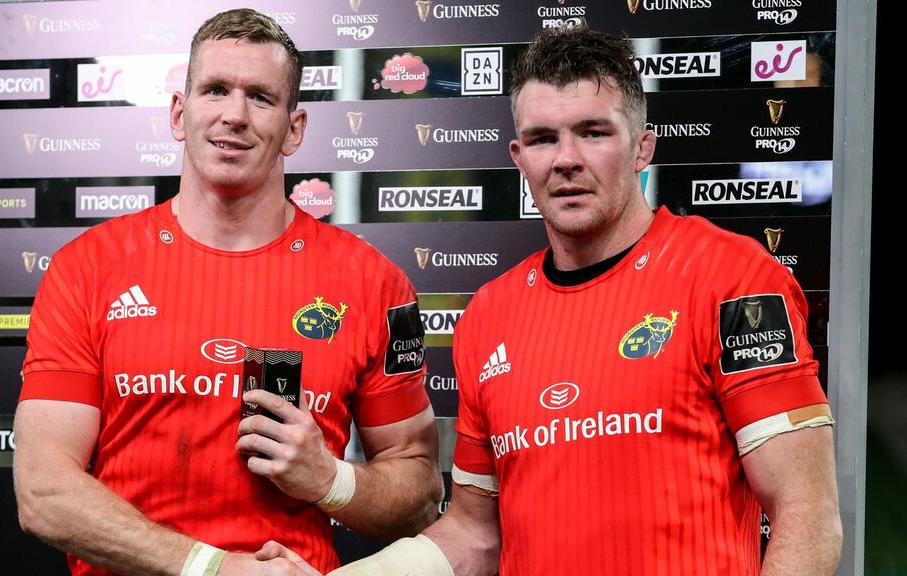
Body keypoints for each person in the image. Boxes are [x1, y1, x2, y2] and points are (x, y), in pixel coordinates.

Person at [316, 24, 843, 576]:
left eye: (593, 132)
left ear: (643, 147)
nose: (565, 159)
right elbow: (476, 531)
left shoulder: (732, 278)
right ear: (519, 158)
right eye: (543, 138)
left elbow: (806, 513)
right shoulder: (488, 317)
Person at [13, 8, 441, 576]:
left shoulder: (375, 282)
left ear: (295, 129)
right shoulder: (85, 270)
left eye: (261, 97)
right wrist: (214, 569)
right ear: (178, 112)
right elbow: (43, 492)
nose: (235, 115)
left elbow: (419, 493)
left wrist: (329, 480)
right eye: (216, 89)